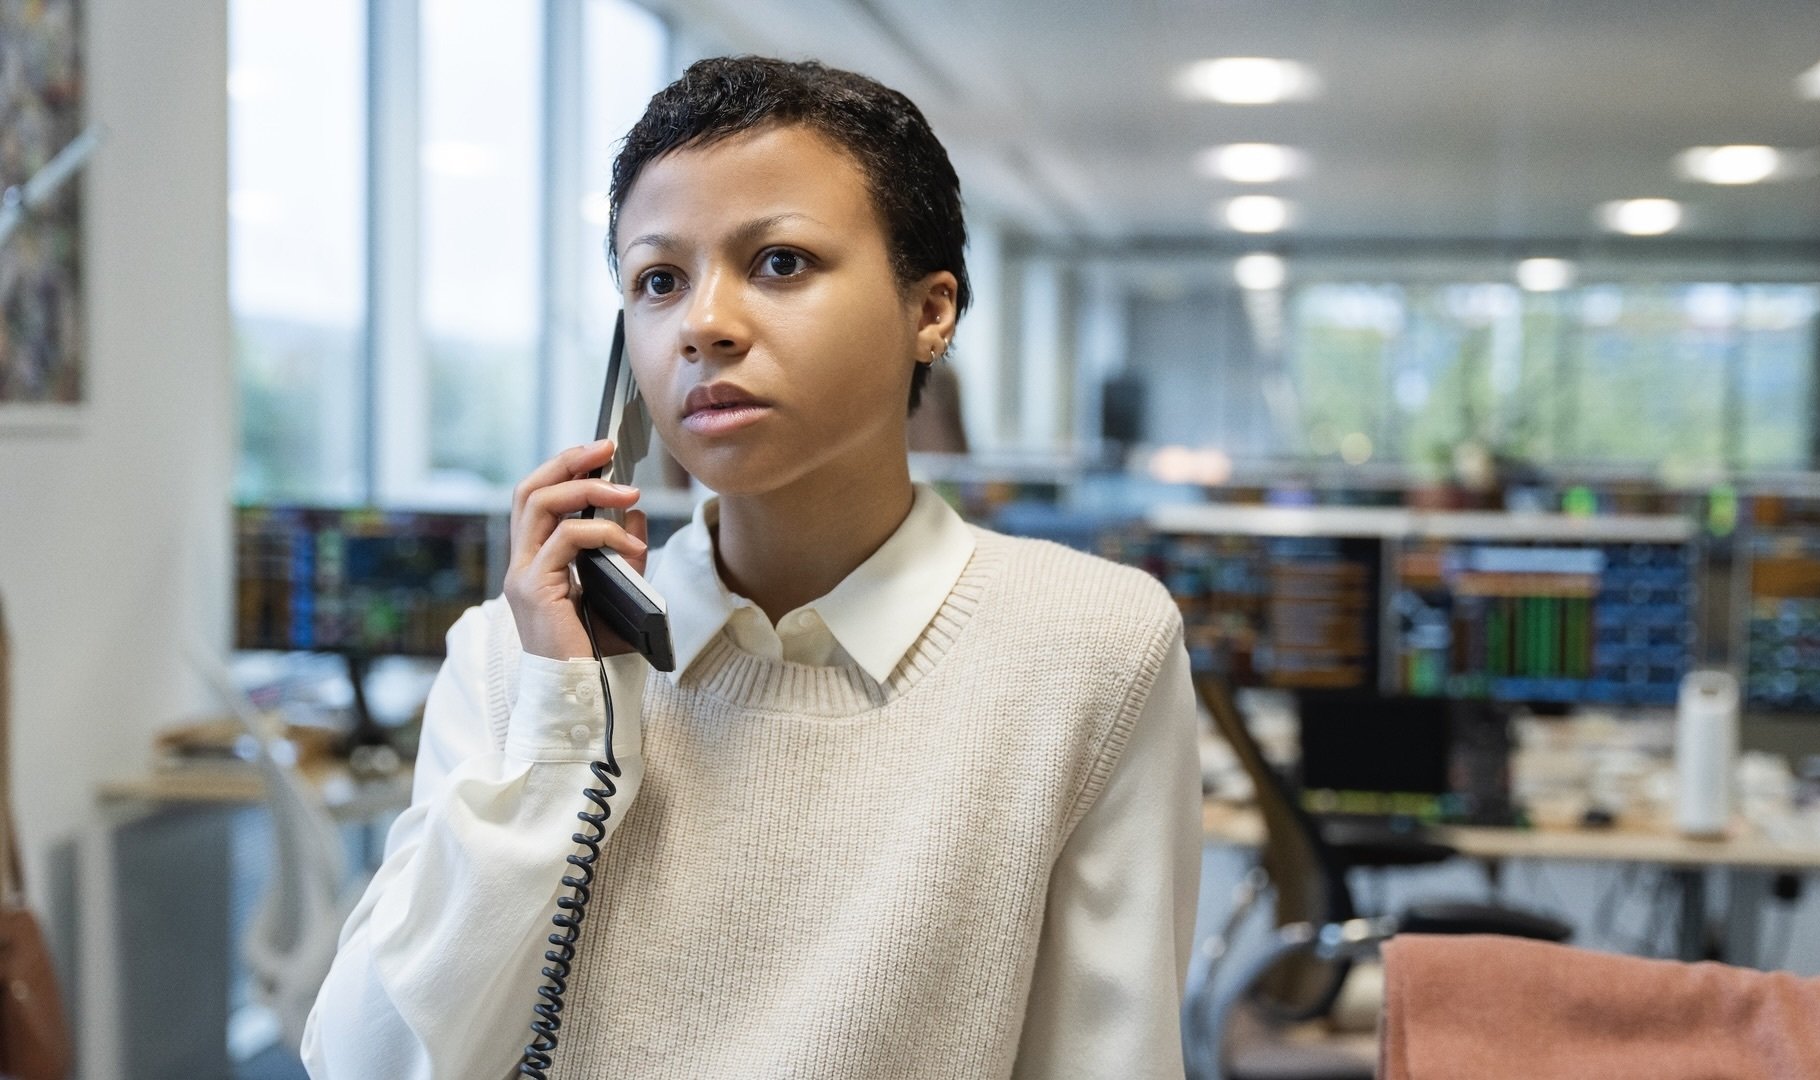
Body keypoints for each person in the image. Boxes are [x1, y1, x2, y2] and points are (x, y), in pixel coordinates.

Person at [301, 56, 1201, 1079]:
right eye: (658, 280)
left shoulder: (1088, 646)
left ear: (931, 310)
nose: (704, 325)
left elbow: (1108, 1055)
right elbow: (362, 1061)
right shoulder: (526, 659)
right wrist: (563, 732)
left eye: (779, 263)